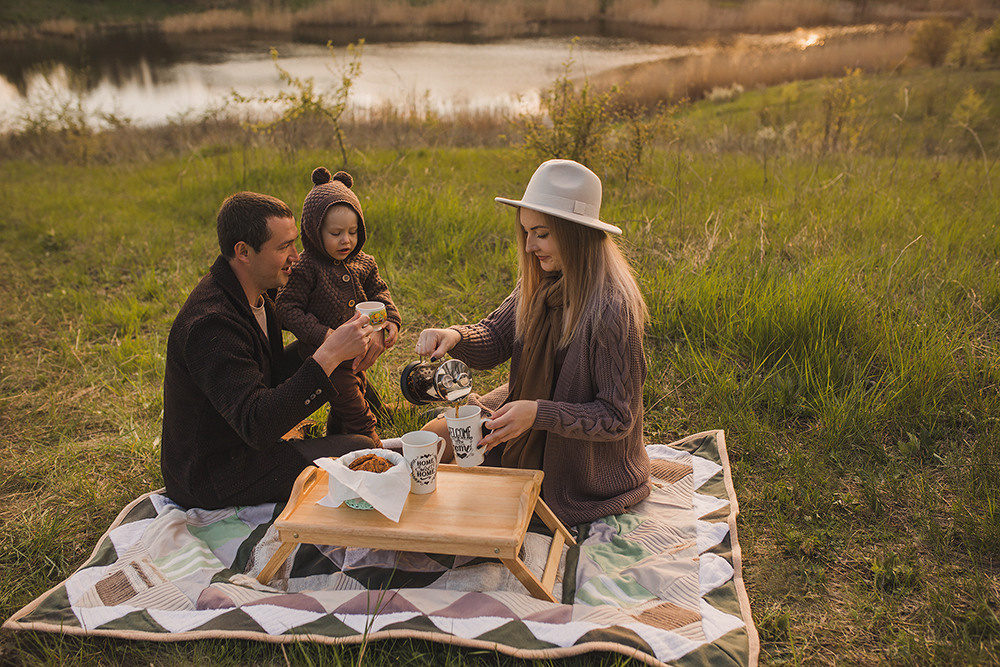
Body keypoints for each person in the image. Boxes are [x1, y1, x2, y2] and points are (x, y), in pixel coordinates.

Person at [415, 159, 650, 527]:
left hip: (578, 461)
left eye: (541, 234)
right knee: (436, 437)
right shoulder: (542, 281)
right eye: (526, 232)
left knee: (477, 501)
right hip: (530, 417)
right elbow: (495, 337)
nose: (528, 246)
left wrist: (539, 414)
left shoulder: (611, 310)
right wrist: (455, 336)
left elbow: (617, 417)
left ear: (575, 234)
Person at [161, 191, 376, 510]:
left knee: (357, 446)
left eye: (294, 242)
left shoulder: (262, 291)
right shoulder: (211, 325)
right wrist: (329, 354)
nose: (297, 256)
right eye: (283, 247)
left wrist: (341, 350)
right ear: (244, 252)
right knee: (361, 452)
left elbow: (268, 371)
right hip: (216, 476)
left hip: (245, 444)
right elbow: (257, 425)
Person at [276, 167, 401, 447]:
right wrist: (325, 335)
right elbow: (287, 308)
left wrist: (390, 319)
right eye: (335, 233)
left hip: (358, 349)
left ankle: (338, 436)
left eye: (353, 231)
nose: (346, 240)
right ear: (313, 230)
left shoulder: (363, 262)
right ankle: (371, 443)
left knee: (354, 392)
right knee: (352, 403)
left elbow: (379, 291)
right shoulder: (306, 267)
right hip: (326, 358)